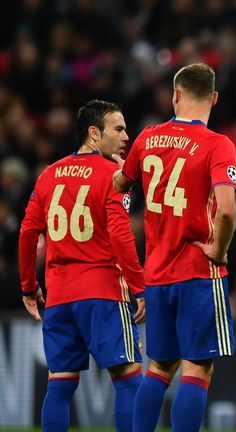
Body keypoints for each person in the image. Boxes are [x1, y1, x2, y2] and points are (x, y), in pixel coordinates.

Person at [112, 63, 236, 431]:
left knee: (159, 367)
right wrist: (218, 248)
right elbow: (227, 211)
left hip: (156, 273)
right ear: (214, 98)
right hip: (197, 271)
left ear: (176, 95)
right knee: (198, 368)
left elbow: (121, 183)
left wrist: (123, 169)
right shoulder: (218, 144)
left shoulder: (147, 138)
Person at [18, 100, 145, 432]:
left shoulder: (48, 175)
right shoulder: (113, 176)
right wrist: (139, 287)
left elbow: (28, 232)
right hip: (102, 292)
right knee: (129, 380)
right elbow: (120, 233)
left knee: (59, 386)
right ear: (94, 133)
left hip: (59, 297)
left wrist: (29, 286)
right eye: (118, 129)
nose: (125, 137)